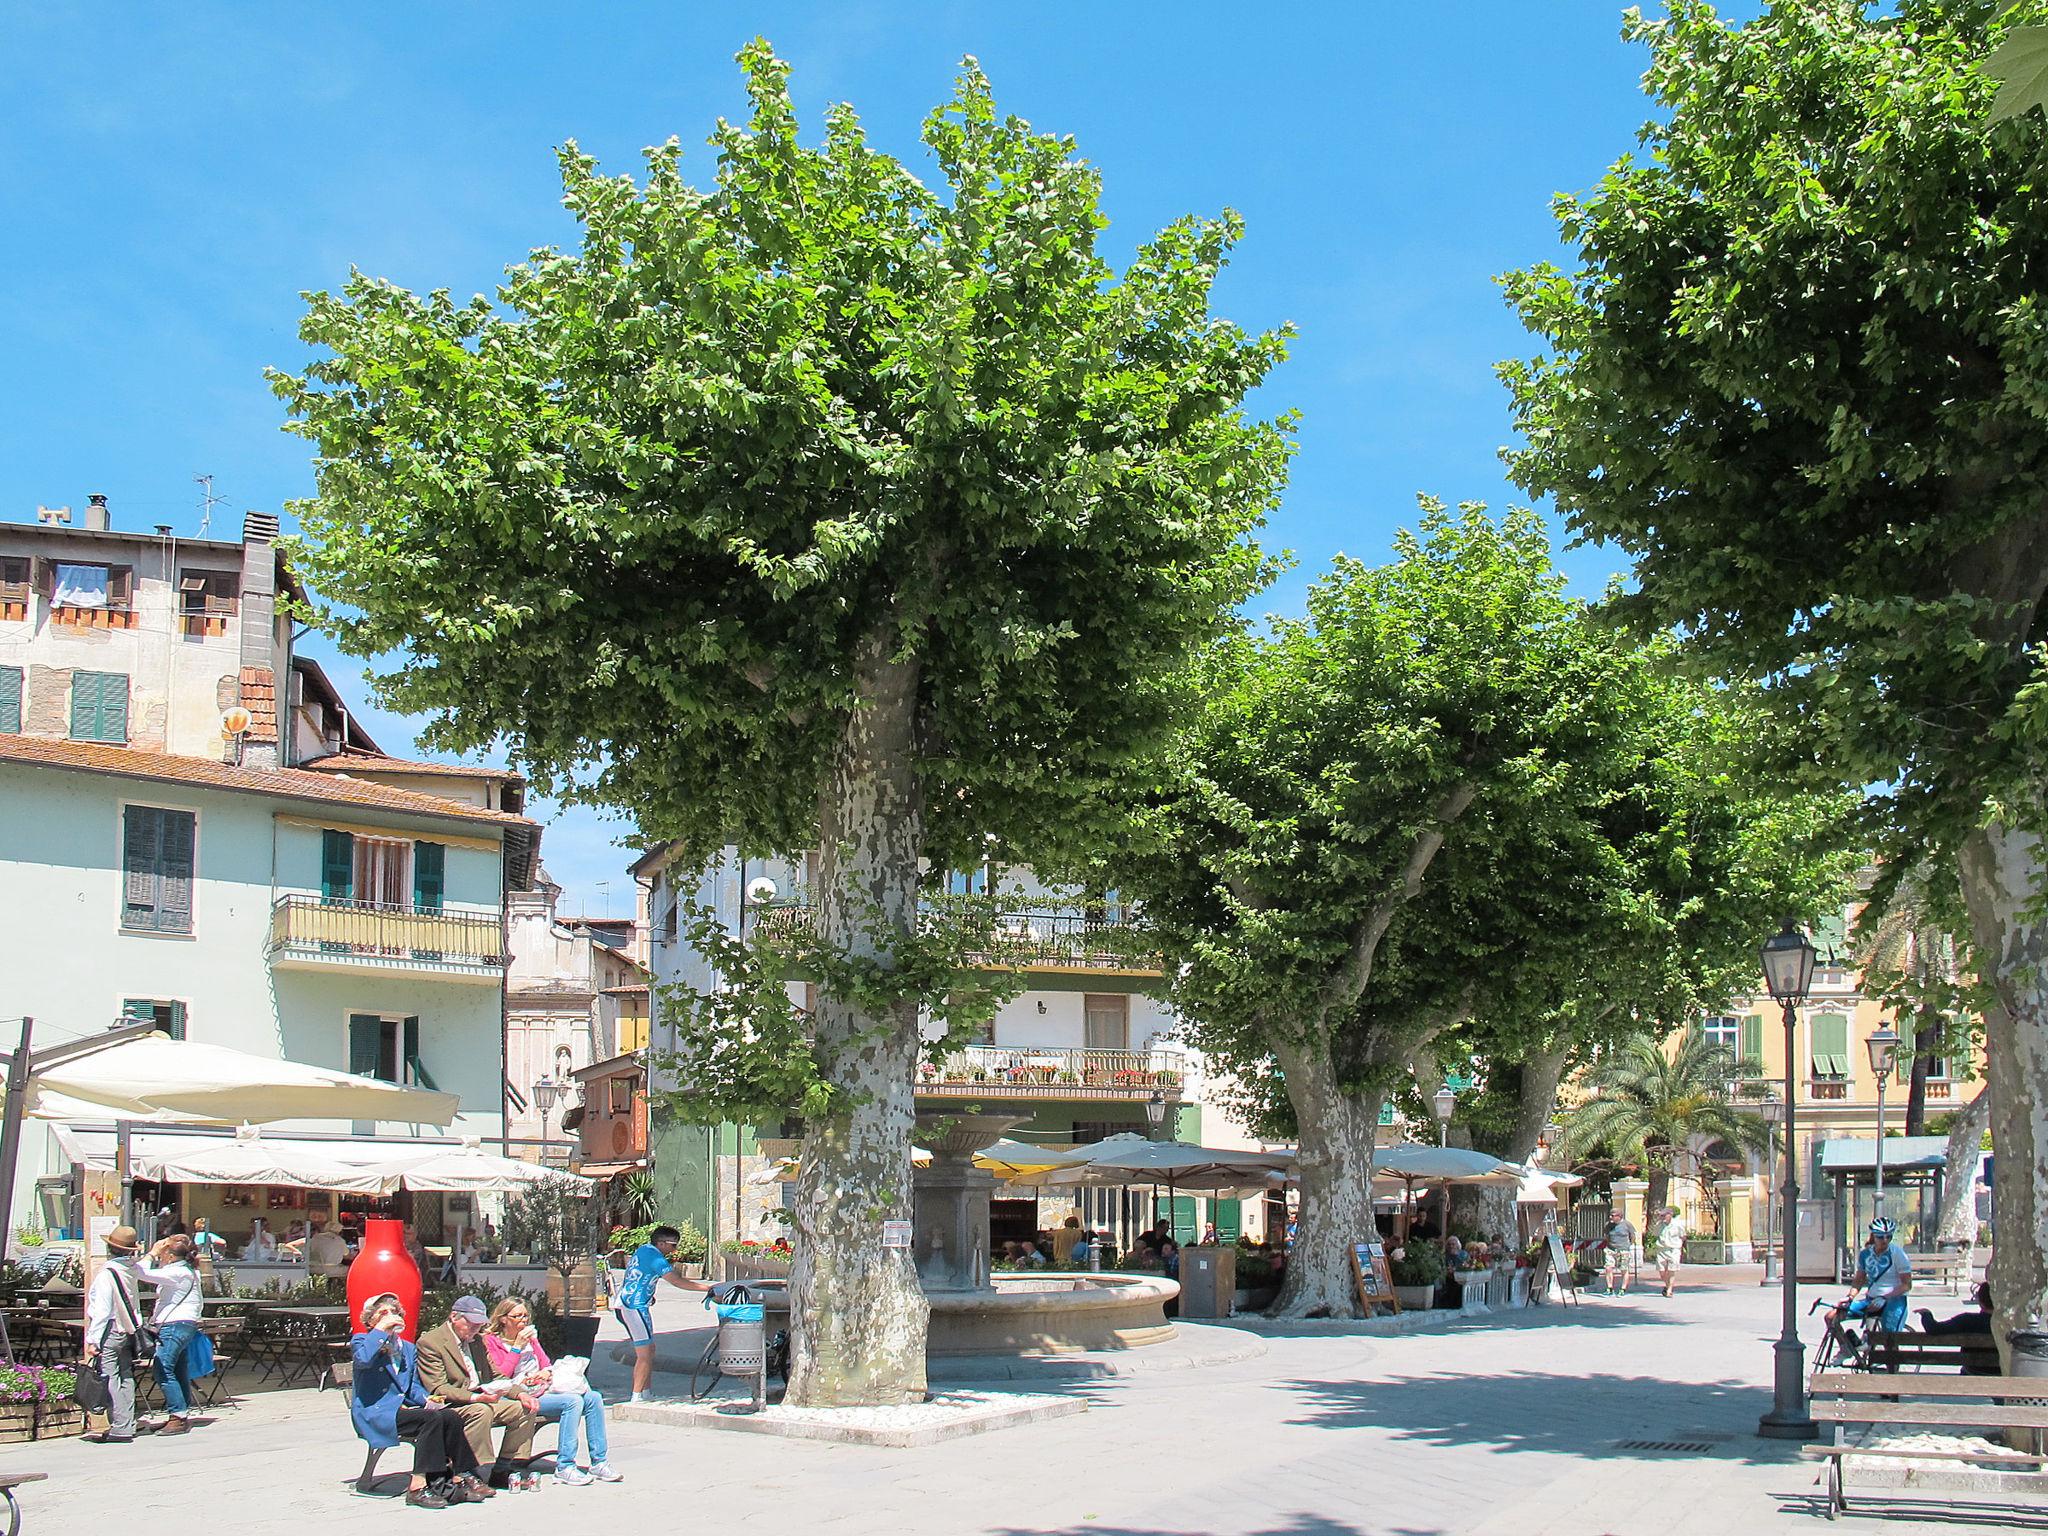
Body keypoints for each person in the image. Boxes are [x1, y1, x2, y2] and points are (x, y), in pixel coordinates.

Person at [351, 1292, 487, 1509]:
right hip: (376, 1412)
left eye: (394, 1312)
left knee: (448, 1416)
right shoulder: (362, 1341)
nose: (390, 1316)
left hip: (403, 1410)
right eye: (383, 1313)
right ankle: (418, 1485)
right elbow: (363, 1360)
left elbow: (412, 1386)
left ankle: (458, 1476)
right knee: (431, 1420)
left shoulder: (406, 1348)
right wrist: (380, 1331)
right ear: (370, 1320)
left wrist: (429, 1399)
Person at [482, 1298, 623, 1486]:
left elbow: (546, 1363)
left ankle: (599, 1461)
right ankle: (565, 1466)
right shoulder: (492, 1341)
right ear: (503, 1319)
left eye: (525, 1315)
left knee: (593, 1398)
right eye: (517, 1316)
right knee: (572, 1401)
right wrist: (517, 1347)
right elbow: (502, 1375)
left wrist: (545, 1373)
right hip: (515, 1395)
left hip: (540, 1388)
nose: (523, 1320)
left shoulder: (530, 1337)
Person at [415, 1296, 538, 1490]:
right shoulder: (431, 1342)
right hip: (452, 1404)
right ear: (454, 1317)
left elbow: (496, 1376)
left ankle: (503, 1469)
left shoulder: (477, 1341)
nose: (475, 1329)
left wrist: (520, 1393)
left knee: (523, 1409)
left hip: (481, 1397)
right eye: (471, 1324)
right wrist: (475, 1397)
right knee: (481, 1411)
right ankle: (473, 1471)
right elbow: (438, 1387)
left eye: (479, 1325)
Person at [616, 1224, 714, 1404]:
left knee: (649, 1349)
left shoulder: (643, 1250)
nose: (675, 1250)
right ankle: (636, 1396)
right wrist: (708, 1288)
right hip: (635, 1306)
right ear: (661, 1243)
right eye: (673, 1245)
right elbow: (677, 1281)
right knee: (644, 1353)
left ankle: (645, 1392)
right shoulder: (656, 1258)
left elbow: (639, 1277)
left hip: (628, 1303)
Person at [82, 1224, 147, 1444]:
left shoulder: (107, 1274)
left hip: (111, 1329)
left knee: (109, 1377)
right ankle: (127, 1422)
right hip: (129, 1330)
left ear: (111, 1248)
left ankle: (120, 1427)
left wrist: (93, 1339)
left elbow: (102, 1310)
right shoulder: (131, 1270)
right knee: (126, 1377)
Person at [138, 1233, 205, 1434]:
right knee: (178, 1370)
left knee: (163, 1368)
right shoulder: (189, 1271)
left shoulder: (176, 1273)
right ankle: (180, 1414)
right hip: (185, 1324)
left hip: (174, 1325)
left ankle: (178, 1416)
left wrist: (151, 1253)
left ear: (170, 1255)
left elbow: (140, 1272)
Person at [1827, 1217, 1913, 1358]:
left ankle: (1891, 1366)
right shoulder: (1865, 1254)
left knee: (1889, 1336)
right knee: (1831, 1317)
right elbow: (1859, 1280)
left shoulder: (1898, 1254)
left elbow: (1907, 1285)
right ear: (1873, 1235)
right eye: (1880, 1237)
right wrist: (1850, 1297)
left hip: (1894, 1299)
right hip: (1871, 1299)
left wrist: (1885, 1297)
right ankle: (1846, 1348)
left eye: (1889, 1236)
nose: (1885, 1240)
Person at [1920, 1281, 1993, 1337]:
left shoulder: (1967, 1320)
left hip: (1969, 1357)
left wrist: (1926, 1314)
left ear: (1981, 1302)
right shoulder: (2003, 1323)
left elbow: (1934, 1329)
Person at [1652, 1206, 1687, 1299]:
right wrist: (1658, 1222)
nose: (1662, 1217)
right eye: (1661, 1215)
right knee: (1662, 1271)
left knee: (1672, 1270)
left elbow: (1683, 1236)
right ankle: (1667, 1285)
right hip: (1662, 1249)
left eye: (1664, 1215)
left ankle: (1669, 1290)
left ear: (1670, 1215)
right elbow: (1655, 1234)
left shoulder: (1678, 1225)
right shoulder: (1659, 1225)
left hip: (1674, 1249)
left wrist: (1681, 1247)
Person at [1601, 1207, 1637, 1297]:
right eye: (1610, 1215)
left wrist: (1628, 1246)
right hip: (1610, 1249)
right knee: (1608, 1268)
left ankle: (1623, 1289)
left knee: (1624, 1269)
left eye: (1613, 1216)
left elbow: (1632, 1236)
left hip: (1623, 1249)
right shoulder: (1608, 1225)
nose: (1610, 1217)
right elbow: (1606, 1236)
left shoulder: (1627, 1224)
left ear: (1619, 1216)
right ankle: (1609, 1288)